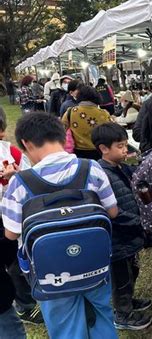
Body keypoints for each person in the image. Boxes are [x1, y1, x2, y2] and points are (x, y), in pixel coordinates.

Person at [2, 112, 119, 339]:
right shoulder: (91, 168)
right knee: (103, 316)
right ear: (61, 136)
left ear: (25, 143)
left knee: (65, 327)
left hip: (50, 275)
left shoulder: (20, 182)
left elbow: (11, 232)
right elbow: (112, 211)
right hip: (94, 265)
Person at [92, 123, 151, 330]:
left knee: (132, 271)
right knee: (121, 279)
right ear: (103, 148)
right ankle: (122, 314)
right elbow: (111, 213)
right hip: (117, 240)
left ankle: (127, 301)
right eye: (120, 146)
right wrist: (139, 221)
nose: (126, 149)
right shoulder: (102, 174)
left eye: (126, 145)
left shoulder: (121, 168)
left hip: (129, 237)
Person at [0, 107, 42, 327]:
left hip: (13, 216)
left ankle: (25, 302)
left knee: (17, 259)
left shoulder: (12, 152)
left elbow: (29, 177)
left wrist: (14, 175)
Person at [62, 85, 113, 160]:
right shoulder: (104, 113)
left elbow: (62, 129)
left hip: (78, 153)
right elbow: (111, 131)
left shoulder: (71, 112)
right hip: (99, 151)